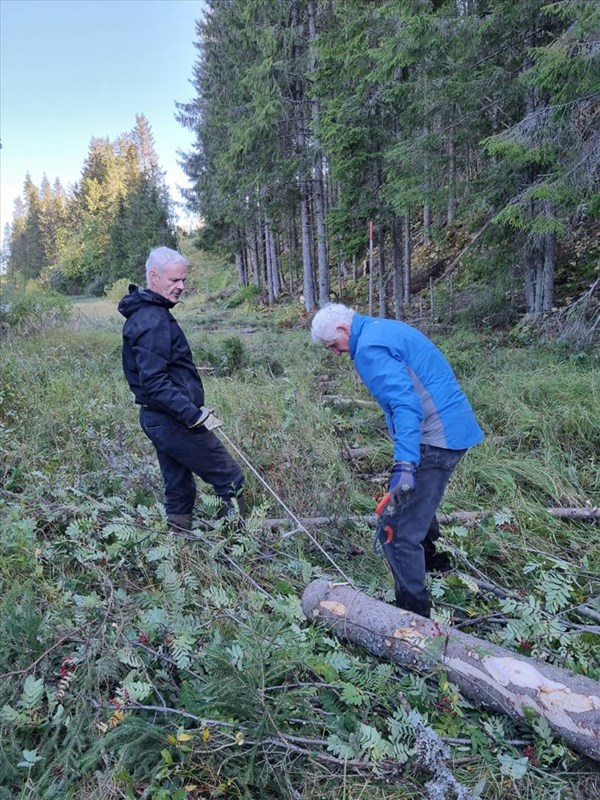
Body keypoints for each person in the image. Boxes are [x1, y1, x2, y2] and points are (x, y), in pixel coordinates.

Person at [311, 303, 484, 617]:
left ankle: (413, 616)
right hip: (451, 426)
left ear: (342, 330)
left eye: (333, 346)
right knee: (417, 507)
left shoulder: (368, 348)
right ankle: (436, 567)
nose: (336, 354)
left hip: (437, 436)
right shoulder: (383, 327)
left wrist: (404, 465)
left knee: (396, 531)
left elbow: (405, 405)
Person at [118, 246, 245, 532]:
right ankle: (238, 545)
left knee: (178, 486)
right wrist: (192, 414)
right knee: (230, 477)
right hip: (170, 420)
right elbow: (153, 382)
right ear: (154, 276)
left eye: (183, 280)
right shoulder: (152, 319)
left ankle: (179, 547)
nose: (181, 286)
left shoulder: (151, 313)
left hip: (161, 418)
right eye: (174, 280)